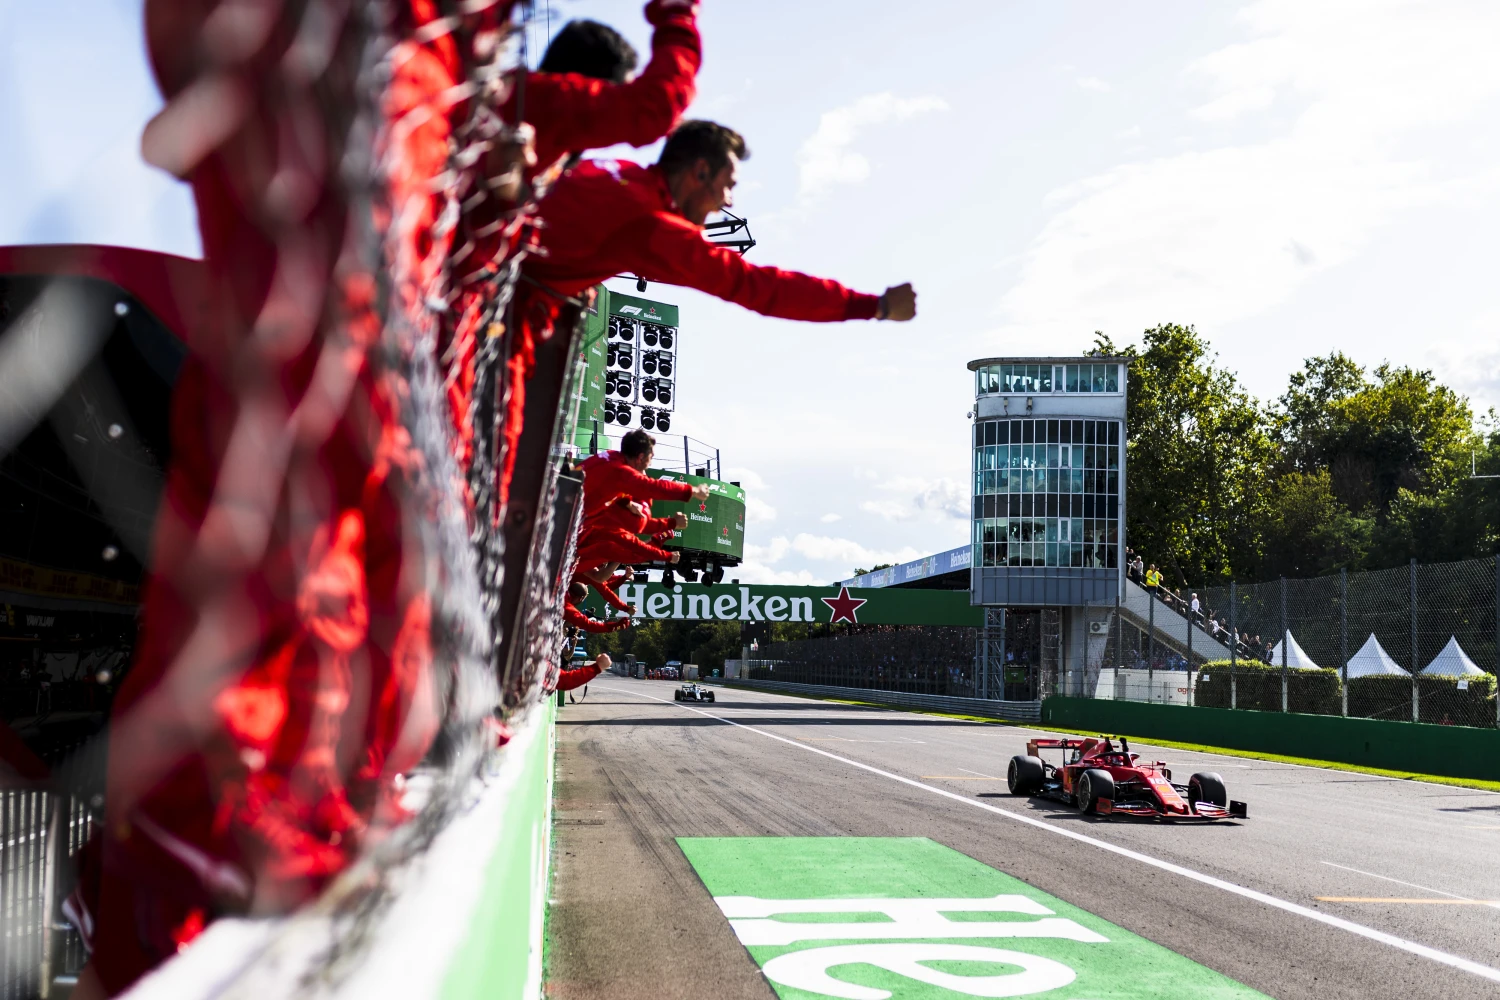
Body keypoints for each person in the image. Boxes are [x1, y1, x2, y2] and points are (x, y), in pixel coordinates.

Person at [494, 120, 917, 507]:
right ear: (699, 172)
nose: (727, 201)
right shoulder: (654, 225)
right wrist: (873, 306)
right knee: (490, 491)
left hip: (480, 292)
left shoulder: (616, 168)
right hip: (494, 331)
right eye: (727, 185)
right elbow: (758, 288)